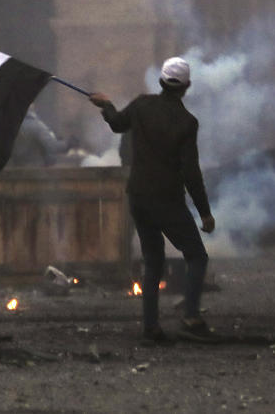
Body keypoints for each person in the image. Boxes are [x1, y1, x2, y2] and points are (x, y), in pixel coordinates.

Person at [89, 57, 217, 344]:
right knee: (196, 256)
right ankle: (191, 317)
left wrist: (106, 105)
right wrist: (204, 213)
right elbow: (190, 172)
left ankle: (151, 327)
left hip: (138, 196)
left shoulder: (142, 105)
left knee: (153, 261)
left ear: (161, 82)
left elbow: (118, 124)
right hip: (167, 199)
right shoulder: (187, 122)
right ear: (187, 87)